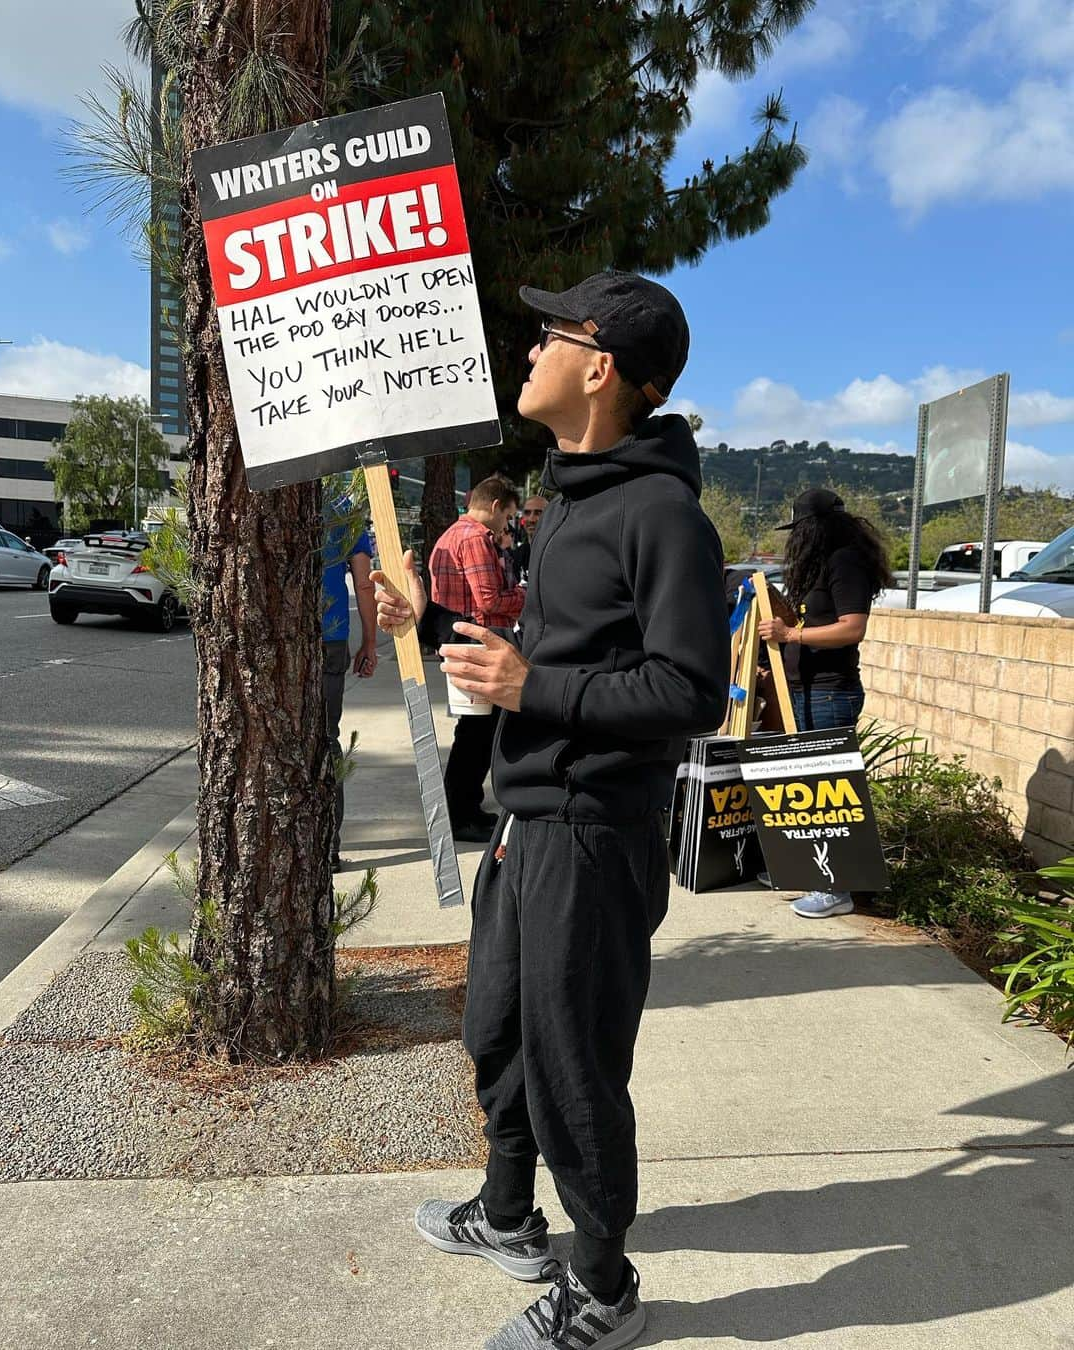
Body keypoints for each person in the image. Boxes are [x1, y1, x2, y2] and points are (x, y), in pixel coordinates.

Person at [373, 271, 728, 1350]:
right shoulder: (572, 496)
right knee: (502, 1035)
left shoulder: (662, 514)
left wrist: (537, 691)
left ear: (601, 365)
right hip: (531, 817)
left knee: (575, 1061)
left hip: (592, 830)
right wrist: (431, 619)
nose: (531, 350)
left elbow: (690, 691)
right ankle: (510, 1214)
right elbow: (552, 658)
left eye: (551, 334)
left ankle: (604, 1288)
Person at [757, 486, 893, 919]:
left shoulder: (845, 562)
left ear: (816, 528)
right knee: (807, 789)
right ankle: (808, 868)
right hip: (805, 690)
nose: (794, 539)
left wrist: (790, 636)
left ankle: (836, 888)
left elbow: (852, 628)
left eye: (799, 530)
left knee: (828, 791)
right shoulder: (822, 566)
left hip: (830, 692)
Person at [430, 475, 526, 843]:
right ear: (497, 505)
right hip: (477, 642)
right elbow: (489, 600)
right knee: (478, 735)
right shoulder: (474, 538)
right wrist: (525, 596)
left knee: (473, 732)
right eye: (508, 517)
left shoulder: (453, 534)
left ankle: (465, 808)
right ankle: (462, 813)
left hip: (458, 639)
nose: (507, 526)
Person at [321, 498, 377, 872]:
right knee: (326, 740)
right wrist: (369, 641)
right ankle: (328, 849)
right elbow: (363, 583)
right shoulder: (343, 507)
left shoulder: (273, 481)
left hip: (275, 638)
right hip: (331, 636)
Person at [514, 493, 548, 579]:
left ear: (550, 516)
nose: (531, 519)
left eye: (538, 513)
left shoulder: (559, 553)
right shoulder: (516, 555)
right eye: (527, 513)